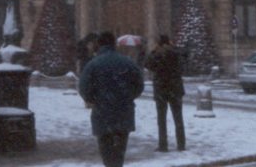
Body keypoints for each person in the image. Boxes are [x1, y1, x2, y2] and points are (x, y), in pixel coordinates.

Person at [79, 31, 144, 167]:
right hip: (123, 112)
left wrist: (95, 100)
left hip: (102, 113)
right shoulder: (128, 62)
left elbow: (84, 88)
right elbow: (139, 85)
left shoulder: (93, 64)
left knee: (106, 151)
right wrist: (127, 97)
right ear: (114, 44)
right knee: (120, 151)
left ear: (99, 44)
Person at [144, 34, 186, 152]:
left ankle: (163, 145)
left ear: (159, 43)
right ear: (169, 42)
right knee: (178, 118)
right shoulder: (175, 53)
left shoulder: (156, 55)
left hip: (161, 89)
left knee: (161, 119)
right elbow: (183, 64)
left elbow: (147, 64)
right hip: (175, 89)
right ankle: (181, 144)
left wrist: (153, 51)